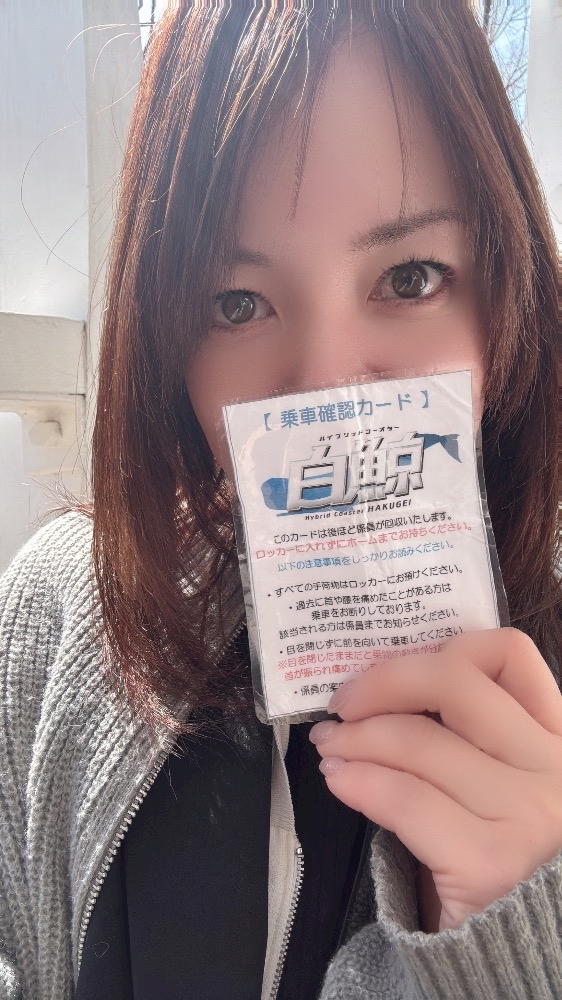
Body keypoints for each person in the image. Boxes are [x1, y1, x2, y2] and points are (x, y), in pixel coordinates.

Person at [0, 2, 560, 998]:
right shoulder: (55, 607)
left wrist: (520, 946)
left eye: (411, 277)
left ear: (507, 299)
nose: (328, 389)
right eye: (236, 303)